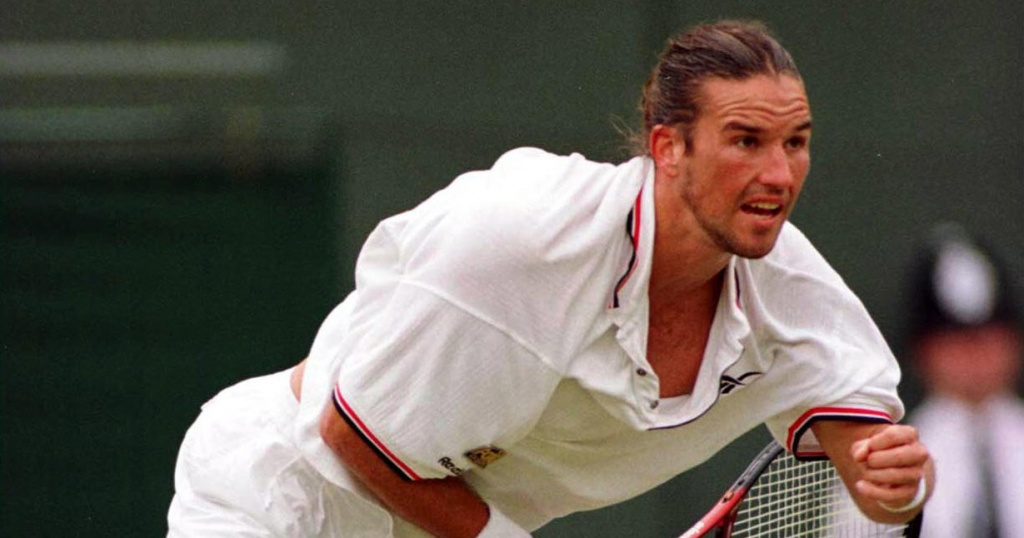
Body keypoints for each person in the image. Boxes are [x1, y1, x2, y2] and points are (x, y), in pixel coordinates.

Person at [167, 20, 934, 537]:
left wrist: (893, 484)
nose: (779, 172)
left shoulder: (793, 292)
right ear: (669, 148)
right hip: (292, 493)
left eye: (796, 142)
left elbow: (868, 463)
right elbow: (350, 431)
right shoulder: (518, 243)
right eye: (746, 140)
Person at [905, 224, 1024, 538]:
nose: (975, 354)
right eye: (955, 340)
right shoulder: (895, 462)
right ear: (923, 351)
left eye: (988, 336)